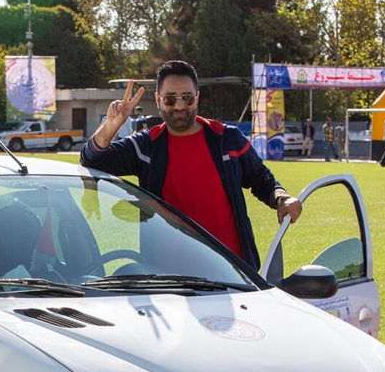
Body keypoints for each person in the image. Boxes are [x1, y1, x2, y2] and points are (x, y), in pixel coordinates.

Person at [80, 60, 300, 270]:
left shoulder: (227, 139)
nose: (179, 106)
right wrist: (111, 125)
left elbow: (261, 178)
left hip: (233, 273)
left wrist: (281, 198)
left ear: (197, 97)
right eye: (169, 99)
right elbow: (92, 159)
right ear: (158, 100)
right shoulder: (146, 146)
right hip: (170, 277)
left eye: (187, 98)